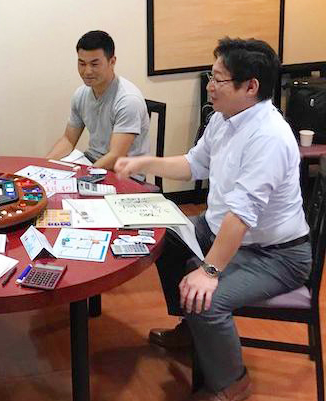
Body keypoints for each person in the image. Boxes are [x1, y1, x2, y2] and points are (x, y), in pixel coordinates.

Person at [115, 38, 311, 401]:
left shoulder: (268, 136)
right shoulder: (224, 118)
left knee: (205, 298)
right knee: (165, 238)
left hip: (275, 254)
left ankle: (232, 382)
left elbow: (241, 216)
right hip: (222, 227)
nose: (209, 86)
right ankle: (192, 328)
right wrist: (144, 162)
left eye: (218, 79)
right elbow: (194, 164)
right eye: (211, 76)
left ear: (250, 87)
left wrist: (209, 271)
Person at [46, 30, 150, 170]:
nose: (87, 71)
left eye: (94, 64)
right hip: (93, 161)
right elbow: (68, 140)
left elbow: (116, 156)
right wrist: (42, 166)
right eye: (82, 64)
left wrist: (84, 176)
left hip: (125, 172)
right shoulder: (81, 94)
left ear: (112, 62)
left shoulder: (128, 100)